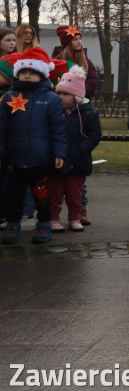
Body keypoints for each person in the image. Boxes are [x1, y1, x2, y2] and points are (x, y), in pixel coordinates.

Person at [0, 48, 66, 244]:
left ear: (42, 74)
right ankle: (13, 224)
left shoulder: (51, 99)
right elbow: (1, 128)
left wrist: (59, 153)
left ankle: (44, 223)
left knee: (42, 194)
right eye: (23, 71)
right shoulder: (8, 98)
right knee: (13, 195)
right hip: (14, 158)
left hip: (41, 159)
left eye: (32, 71)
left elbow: (58, 129)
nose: (27, 74)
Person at [49, 66, 101, 233]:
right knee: (55, 193)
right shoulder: (55, 112)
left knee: (75, 194)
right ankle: (54, 218)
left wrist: (82, 149)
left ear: (77, 95)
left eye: (66, 94)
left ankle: (74, 218)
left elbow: (95, 135)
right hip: (57, 160)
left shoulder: (89, 113)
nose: (62, 97)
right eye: (60, 93)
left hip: (78, 160)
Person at [50, 25, 100, 100]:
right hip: (58, 101)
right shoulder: (55, 62)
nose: (79, 42)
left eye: (80, 38)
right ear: (68, 43)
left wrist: (80, 93)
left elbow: (93, 81)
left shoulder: (86, 62)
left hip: (80, 103)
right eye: (75, 39)